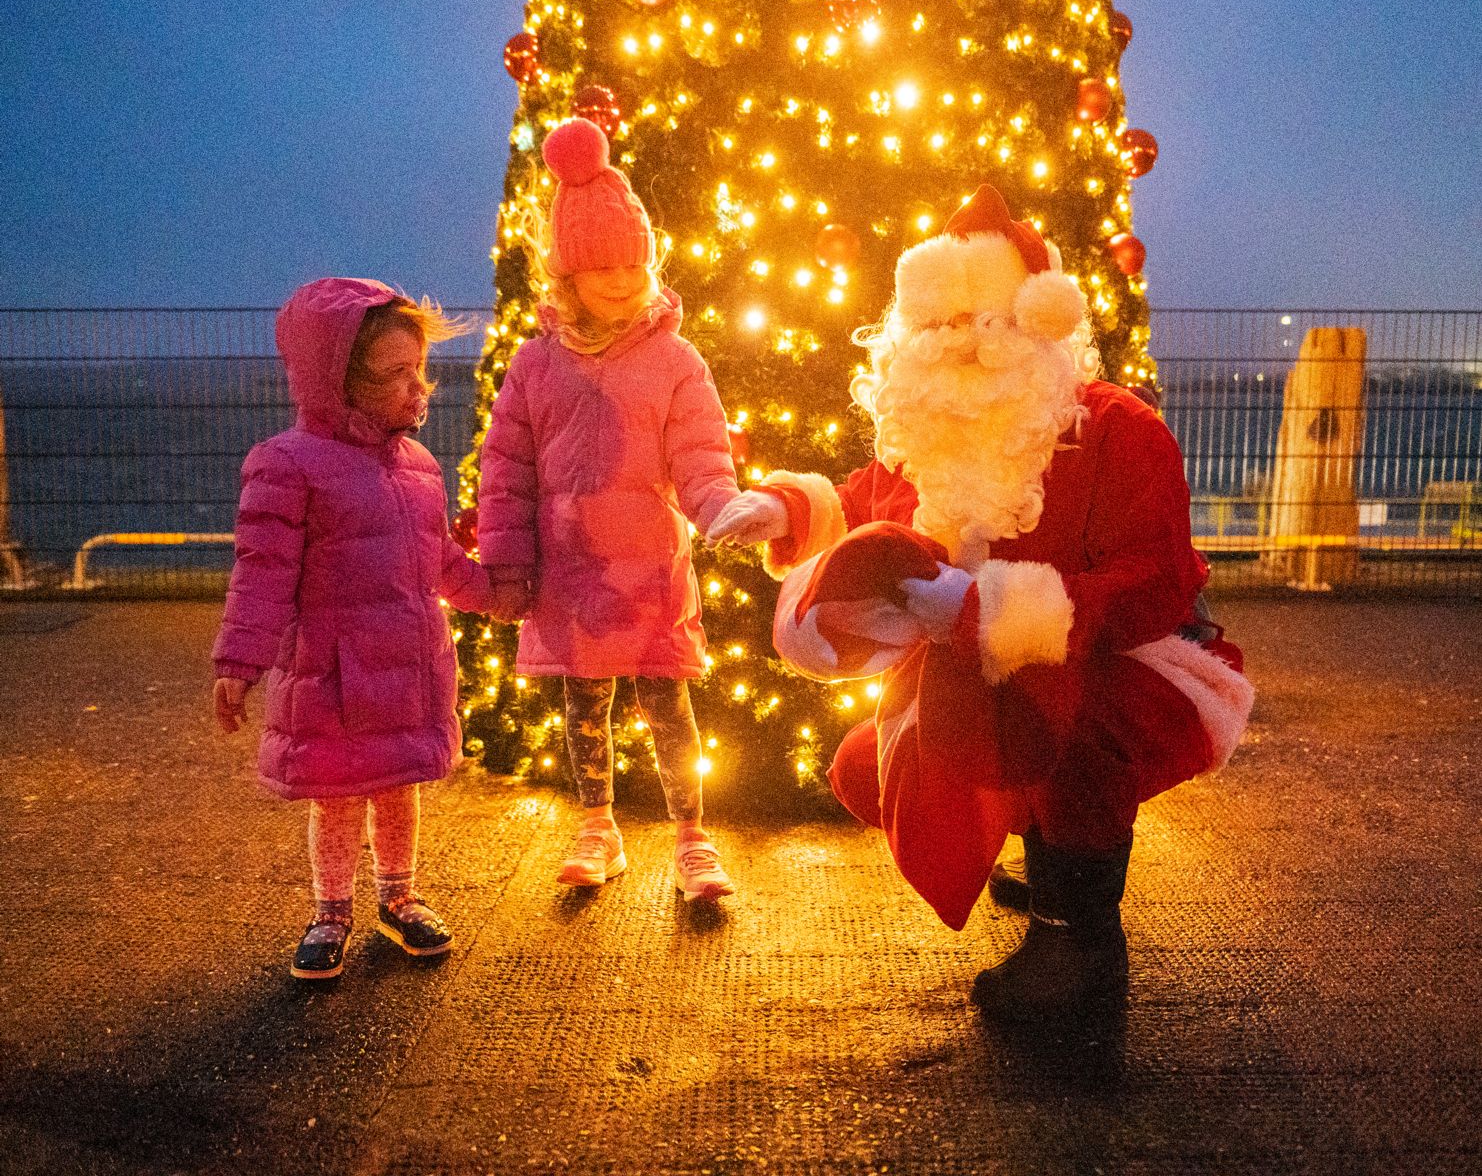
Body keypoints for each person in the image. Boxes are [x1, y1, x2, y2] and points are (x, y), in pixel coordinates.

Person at [708, 184, 1254, 1018]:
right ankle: (1042, 854)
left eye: (985, 322)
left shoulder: (1116, 430)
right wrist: (787, 506)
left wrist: (994, 609)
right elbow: (865, 502)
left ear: (1038, 321)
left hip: (1130, 663)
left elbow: (1152, 584)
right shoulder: (932, 433)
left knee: (1069, 735)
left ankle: (1078, 942)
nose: (960, 343)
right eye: (938, 326)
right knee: (874, 766)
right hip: (973, 672)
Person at [478, 117, 744, 903]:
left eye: (636, 262)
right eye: (605, 268)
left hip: (652, 570)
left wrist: (721, 507)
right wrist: (506, 562)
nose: (627, 279)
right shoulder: (536, 365)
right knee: (584, 702)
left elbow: (702, 453)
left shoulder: (675, 360)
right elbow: (506, 469)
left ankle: (693, 836)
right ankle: (598, 823)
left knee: (669, 703)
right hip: (570, 572)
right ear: (567, 277)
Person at [212, 278, 507, 980]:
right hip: (336, 674)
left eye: (420, 371)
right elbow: (263, 573)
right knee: (339, 796)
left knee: (399, 786)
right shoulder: (287, 466)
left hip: (408, 666)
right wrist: (240, 660)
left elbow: (439, 558)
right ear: (336, 382)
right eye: (394, 375)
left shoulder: (421, 470)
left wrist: (496, 594)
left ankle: (399, 895)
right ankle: (331, 907)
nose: (418, 389)